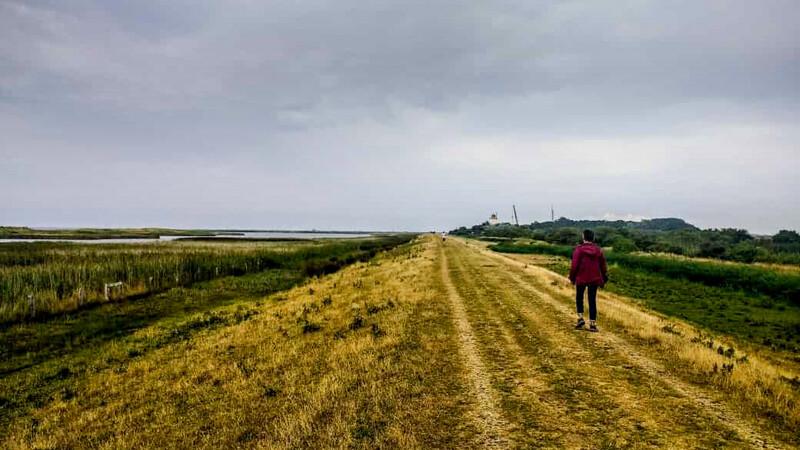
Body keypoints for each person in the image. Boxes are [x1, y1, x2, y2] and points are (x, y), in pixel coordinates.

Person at [568, 229, 608, 332]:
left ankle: (580, 318)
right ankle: (593, 324)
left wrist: (572, 278)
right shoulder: (598, 251)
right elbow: (603, 266)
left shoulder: (579, 250)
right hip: (594, 278)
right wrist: (604, 279)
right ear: (593, 238)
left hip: (581, 278)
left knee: (579, 298)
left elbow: (574, 266)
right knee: (592, 300)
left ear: (583, 238)